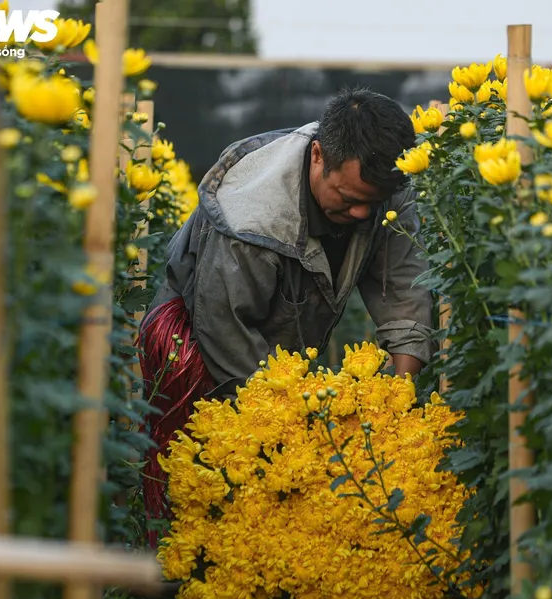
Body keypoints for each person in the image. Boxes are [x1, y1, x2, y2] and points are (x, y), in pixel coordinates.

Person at [137, 86, 436, 547]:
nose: (360, 213)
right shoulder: (251, 219)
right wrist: (298, 423)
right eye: (347, 196)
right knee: (216, 490)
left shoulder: (386, 187)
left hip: (281, 350)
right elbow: (225, 330)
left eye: (370, 205)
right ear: (318, 156)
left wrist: (400, 397)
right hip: (199, 348)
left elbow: (402, 287)